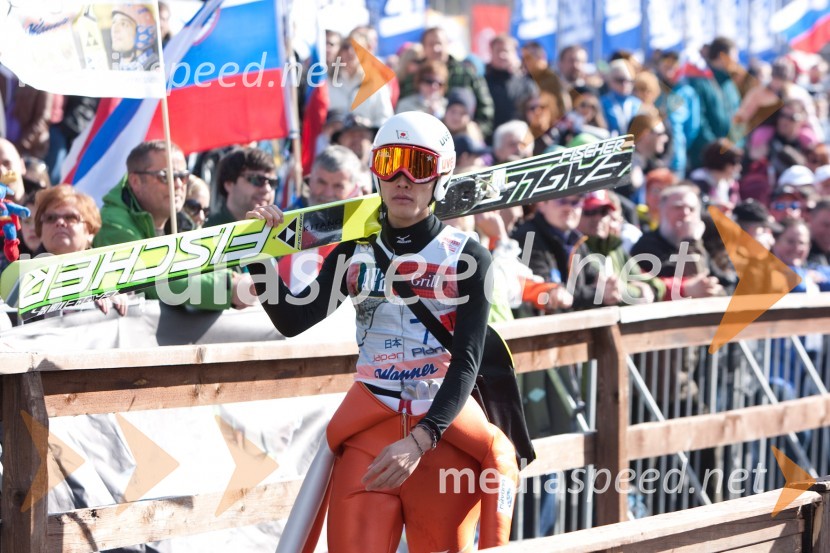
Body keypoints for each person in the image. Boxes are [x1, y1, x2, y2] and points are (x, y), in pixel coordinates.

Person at [246, 112, 518, 551]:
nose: (403, 179)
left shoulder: (468, 256)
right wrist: (261, 253)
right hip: (370, 427)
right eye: (391, 162)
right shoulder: (353, 252)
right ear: (375, 171)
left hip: (441, 433)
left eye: (419, 165)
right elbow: (293, 320)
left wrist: (420, 439)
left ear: (440, 177)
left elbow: (467, 360)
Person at [95, 140, 247, 310]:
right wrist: (228, 288)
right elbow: (150, 279)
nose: (178, 185)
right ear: (136, 181)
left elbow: (205, 267)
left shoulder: (183, 222)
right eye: (165, 176)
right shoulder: (113, 222)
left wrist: (235, 280)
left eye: (183, 176)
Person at [31, 185, 126, 316]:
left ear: (90, 231)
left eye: (71, 217)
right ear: (40, 230)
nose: (59, 222)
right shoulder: (21, 277)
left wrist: (115, 299)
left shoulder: (113, 273)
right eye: (50, 218)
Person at [110, 4, 160, 71]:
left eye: (123, 24)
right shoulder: (118, 66)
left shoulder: (155, 68)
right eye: (113, 22)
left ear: (142, 31)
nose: (115, 30)